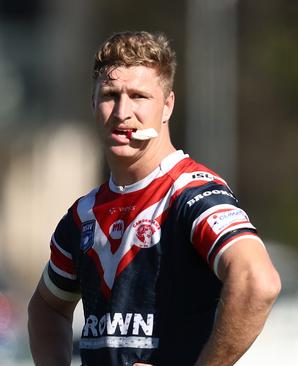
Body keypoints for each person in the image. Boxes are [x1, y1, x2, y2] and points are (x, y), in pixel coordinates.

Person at [27, 30, 281, 366]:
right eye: (109, 95)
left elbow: (257, 282)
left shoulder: (192, 194)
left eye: (139, 96)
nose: (122, 112)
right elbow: (46, 307)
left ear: (167, 106)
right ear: (92, 103)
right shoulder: (83, 215)